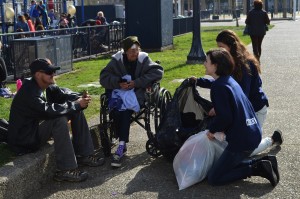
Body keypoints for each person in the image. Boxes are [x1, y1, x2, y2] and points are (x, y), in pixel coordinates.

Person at [7, 58, 105, 182]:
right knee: (59, 119)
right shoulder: (29, 92)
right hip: (25, 140)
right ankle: (65, 170)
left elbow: (62, 94)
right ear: (38, 74)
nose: (53, 74)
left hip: (34, 130)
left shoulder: (45, 85)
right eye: (49, 72)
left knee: (75, 110)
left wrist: (78, 98)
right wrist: (75, 104)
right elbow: (47, 110)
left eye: (53, 71)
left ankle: (84, 155)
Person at [194, 30, 283, 156]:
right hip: (243, 110)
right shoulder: (228, 63)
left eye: (222, 47)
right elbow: (224, 83)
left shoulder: (245, 65)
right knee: (233, 146)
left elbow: (242, 95)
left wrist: (219, 108)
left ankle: (273, 139)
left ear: (231, 46)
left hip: (255, 109)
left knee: (247, 150)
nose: (220, 50)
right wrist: (197, 81)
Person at [201, 48, 278, 187]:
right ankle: (265, 162)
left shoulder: (219, 87)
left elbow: (225, 118)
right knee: (226, 165)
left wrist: (211, 130)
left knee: (214, 178)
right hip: (252, 133)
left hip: (241, 140)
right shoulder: (229, 80)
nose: (204, 64)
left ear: (216, 65)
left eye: (206, 61)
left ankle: (257, 168)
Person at [100, 36, 163, 167]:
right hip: (120, 92)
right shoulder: (116, 60)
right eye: (131, 51)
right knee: (116, 109)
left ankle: (121, 145)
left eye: (136, 49)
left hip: (138, 93)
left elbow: (158, 72)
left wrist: (136, 83)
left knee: (125, 109)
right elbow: (104, 77)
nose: (134, 53)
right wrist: (118, 82)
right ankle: (121, 143)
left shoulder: (143, 59)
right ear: (125, 52)